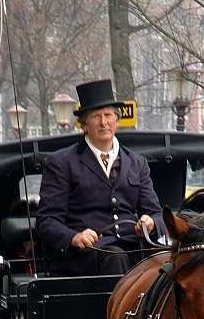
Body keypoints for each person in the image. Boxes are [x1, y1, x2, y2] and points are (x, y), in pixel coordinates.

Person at [36, 79, 163, 276]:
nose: (104, 122)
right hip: (86, 256)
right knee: (115, 257)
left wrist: (151, 222)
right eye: (96, 116)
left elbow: (157, 214)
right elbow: (47, 221)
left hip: (134, 249)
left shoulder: (137, 163)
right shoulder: (61, 163)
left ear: (117, 120)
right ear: (84, 125)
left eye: (108, 115)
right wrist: (74, 237)